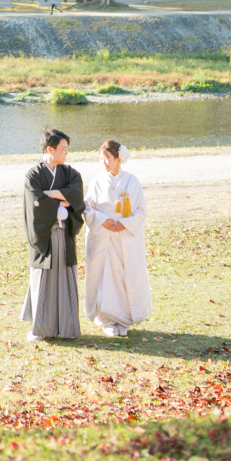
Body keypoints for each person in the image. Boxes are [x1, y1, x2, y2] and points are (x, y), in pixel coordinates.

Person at [83, 138, 152, 337]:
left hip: (124, 237)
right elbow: (87, 208)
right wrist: (103, 221)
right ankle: (107, 319)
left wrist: (126, 223)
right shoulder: (97, 182)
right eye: (101, 158)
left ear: (118, 158)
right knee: (106, 277)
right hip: (104, 237)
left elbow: (141, 209)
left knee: (124, 276)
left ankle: (123, 319)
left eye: (107, 158)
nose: (104, 162)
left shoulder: (132, 181)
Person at [21, 127, 85, 341]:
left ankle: (68, 328)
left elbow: (77, 196)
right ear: (50, 149)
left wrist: (51, 195)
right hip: (45, 236)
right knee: (43, 279)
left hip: (64, 235)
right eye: (63, 149)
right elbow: (36, 204)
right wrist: (62, 201)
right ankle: (41, 329)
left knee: (65, 278)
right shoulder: (33, 175)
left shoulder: (70, 173)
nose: (66, 153)